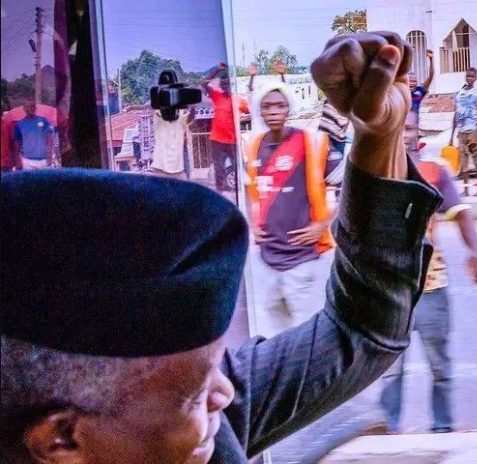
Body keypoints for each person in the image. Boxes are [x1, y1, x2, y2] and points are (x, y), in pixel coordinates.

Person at [1, 32, 443, 464]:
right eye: (195, 397)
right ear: (61, 439)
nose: (228, 393)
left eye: (218, 368)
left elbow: (361, 332)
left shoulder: (174, 408)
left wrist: (379, 135)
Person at [381, 110, 477, 434]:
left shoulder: (433, 171)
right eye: (399, 129)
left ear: (418, 133)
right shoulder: (376, 173)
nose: (405, 134)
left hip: (431, 285)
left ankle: (442, 428)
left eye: (410, 128)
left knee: (439, 366)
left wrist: (476, 251)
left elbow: (461, 213)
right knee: (390, 370)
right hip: (390, 291)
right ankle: (390, 433)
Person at [245, 81, 335, 338]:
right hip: (267, 261)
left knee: (308, 338)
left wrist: (323, 224)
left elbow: (346, 187)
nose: (274, 111)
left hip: (303, 261)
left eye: (280, 105)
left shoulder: (311, 143)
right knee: (275, 338)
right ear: (260, 111)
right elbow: (251, 190)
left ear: (288, 109)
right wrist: (253, 223)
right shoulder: (254, 146)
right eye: (267, 106)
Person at [204, 62, 250, 195]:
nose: (225, 86)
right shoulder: (217, 96)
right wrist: (217, 70)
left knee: (237, 164)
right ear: (221, 86)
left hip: (232, 140)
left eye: (227, 84)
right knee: (218, 165)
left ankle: (239, 186)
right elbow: (204, 84)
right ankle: (221, 188)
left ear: (231, 85)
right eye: (222, 84)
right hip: (216, 139)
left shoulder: (239, 100)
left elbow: (250, 112)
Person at [449, 67, 477, 196]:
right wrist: (451, 136)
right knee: (464, 164)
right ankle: (466, 190)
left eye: (472, 76)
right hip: (461, 132)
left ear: (475, 78)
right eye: (468, 76)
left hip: (473, 131)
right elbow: (456, 114)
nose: (469, 78)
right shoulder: (459, 93)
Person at [12, 100, 54, 170]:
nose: (32, 108)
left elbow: (49, 139)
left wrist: (49, 156)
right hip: (27, 161)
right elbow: (17, 143)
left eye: (33, 106)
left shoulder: (43, 120)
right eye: (29, 106)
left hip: (43, 160)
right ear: (24, 109)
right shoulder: (19, 124)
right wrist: (17, 160)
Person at [409, 49, 434, 117]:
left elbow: (430, 77)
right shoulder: (403, 92)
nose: (411, 83)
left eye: (414, 81)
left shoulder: (419, 91)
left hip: (415, 122)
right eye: (409, 81)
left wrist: (431, 60)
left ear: (417, 83)